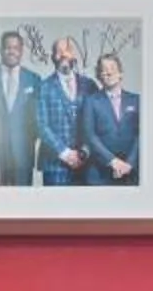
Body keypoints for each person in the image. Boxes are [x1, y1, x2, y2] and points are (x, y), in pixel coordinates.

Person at [33, 36, 95, 186]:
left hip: (85, 163)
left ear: (74, 55)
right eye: (58, 52)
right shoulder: (43, 86)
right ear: (53, 57)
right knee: (55, 208)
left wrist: (84, 152)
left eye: (67, 50)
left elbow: (96, 123)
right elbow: (41, 125)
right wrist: (65, 153)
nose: (63, 55)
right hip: (54, 164)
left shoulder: (89, 85)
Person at [78, 52, 141, 187]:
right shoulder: (90, 101)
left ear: (121, 73)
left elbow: (140, 135)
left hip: (130, 172)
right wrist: (113, 161)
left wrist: (130, 163)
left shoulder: (136, 100)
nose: (108, 73)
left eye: (112, 69)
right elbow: (90, 135)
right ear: (99, 76)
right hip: (99, 173)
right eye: (103, 70)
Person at [0, 30, 37, 186]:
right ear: (1, 50)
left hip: (23, 155)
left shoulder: (34, 80)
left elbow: (37, 120)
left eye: (16, 48)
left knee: (23, 204)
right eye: (7, 47)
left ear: (21, 51)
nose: (11, 51)